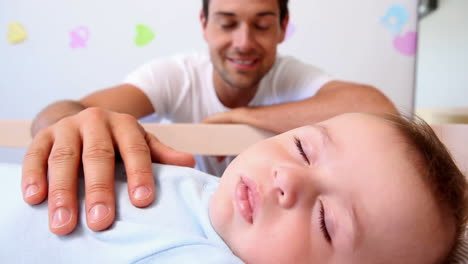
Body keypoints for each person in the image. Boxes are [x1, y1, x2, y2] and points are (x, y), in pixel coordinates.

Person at [21, 0, 398, 236]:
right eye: (227, 22)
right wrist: (70, 128)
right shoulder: (174, 75)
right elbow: (61, 112)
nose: (244, 41)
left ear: (283, 28)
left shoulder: (291, 76)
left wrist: (244, 116)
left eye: (262, 24)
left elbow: (378, 108)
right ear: (204, 23)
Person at [3, 113, 466, 263]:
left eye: (327, 223)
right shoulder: (212, 193)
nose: (289, 178)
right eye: (303, 148)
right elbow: (62, 111)